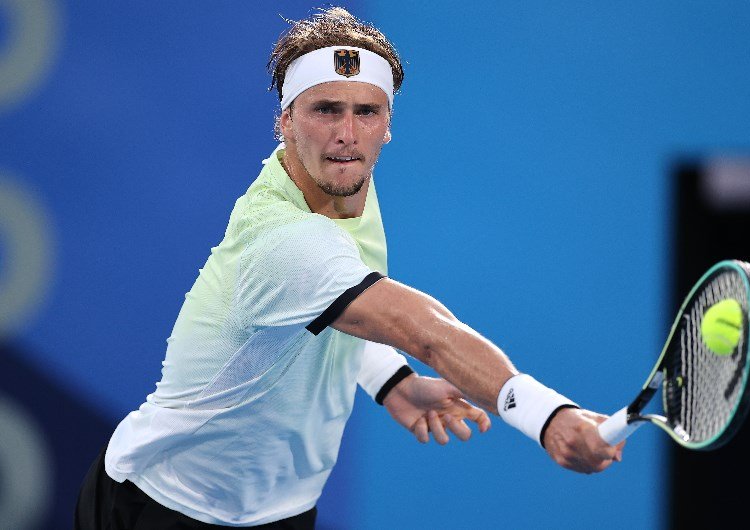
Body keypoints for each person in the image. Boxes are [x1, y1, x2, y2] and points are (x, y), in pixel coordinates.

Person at [75, 7, 623, 529]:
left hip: (279, 507)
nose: (347, 133)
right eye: (326, 110)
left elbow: (317, 317)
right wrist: (547, 417)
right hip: (164, 503)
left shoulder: (341, 181)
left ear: (387, 124)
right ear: (285, 122)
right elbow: (426, 332)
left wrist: (392, 382)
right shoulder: (286, 240)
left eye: (366, 112)